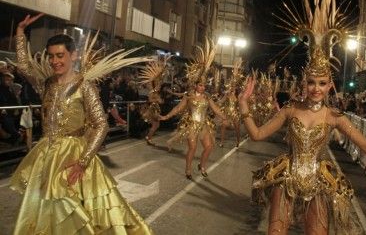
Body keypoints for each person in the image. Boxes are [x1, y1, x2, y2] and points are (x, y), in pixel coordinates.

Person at [237, 0, 366, 234]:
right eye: (311, 82)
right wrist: (244, 105)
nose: (316, 88)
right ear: (303, 83)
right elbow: (258, 135)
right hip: (286, 179)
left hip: (319, 184)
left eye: (321, 83)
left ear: (330, 85)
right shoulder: (290, 110)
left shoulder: (334, 117)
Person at [9, 13, 153, 234]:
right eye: (51, 57)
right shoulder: (46, 84)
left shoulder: (84, 86)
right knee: (46, 211)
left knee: (75, 212)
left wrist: (83, 161)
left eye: (60, 56)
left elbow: (101, 124)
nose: (55, 61)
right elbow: (23, 67)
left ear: (73, 55)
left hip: (74, 155)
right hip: (46, 154)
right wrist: (20, 33)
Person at [162, 40, 228, 180]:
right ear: (195, 85)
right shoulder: (189, 96)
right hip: (191, 125)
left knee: (209, 146)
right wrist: (167, 116)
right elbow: (179, 107)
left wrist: (223, 116)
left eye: (204, 86)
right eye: (200, 85)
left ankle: (202, 165)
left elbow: (215, 108)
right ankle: (188, 169)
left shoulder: (207, 96)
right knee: (192, 148)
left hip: (203, 125)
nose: (202, 88)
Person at [139, 56, 170, 146]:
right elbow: (150, 99)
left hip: (154, 108)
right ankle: (148, 137)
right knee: (156, 125)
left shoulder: (155, 90)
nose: (159, 84)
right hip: (152, 109)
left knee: (156, 125)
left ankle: (148, 137)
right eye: (158, 83)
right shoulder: (153, 90)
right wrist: (157, 100)